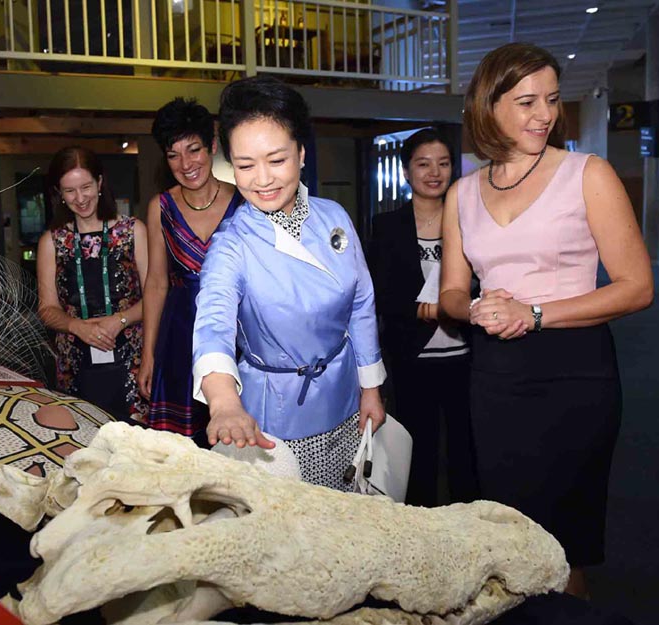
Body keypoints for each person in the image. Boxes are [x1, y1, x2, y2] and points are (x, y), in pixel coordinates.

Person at [439, 43, 653, 597]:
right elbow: (452, 295)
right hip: (495, 376)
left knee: (564, 547)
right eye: (527, 102)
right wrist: (478, 308)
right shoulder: (461, 193)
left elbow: (637, 287)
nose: (545, 115)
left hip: (575, 372)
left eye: (553, 100)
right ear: (489, 106)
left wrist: (533, 314)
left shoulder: (588, 173)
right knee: (511, 537)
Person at [191, 76, 386, 490]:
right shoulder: (231, 245)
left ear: (300, 153)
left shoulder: (333, 216)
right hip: (278, 419)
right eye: (245, 165)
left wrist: (370, 388)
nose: (262, 179)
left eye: (276, 160)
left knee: (349, 511)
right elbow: (212, 325)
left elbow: (361, 303)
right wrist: (224, 403)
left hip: (346, 397)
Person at [368, 127, 478, 507]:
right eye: (423, 164)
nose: (434, 173)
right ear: (406, 171)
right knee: (418, 453)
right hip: (412, 357)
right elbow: (379, 293)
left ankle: (471, 525)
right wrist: (429, 309)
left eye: (443, 164)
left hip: (467, 357)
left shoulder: (470, 221)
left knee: (468, 452)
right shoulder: (387, 226)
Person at [138, 98, 241, 445]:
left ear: (212, 146)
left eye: (193, 149)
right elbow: (156, 284)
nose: (185, 164)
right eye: (173, 155)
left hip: (236, 332)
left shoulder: (245, 202)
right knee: (182, 452)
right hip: (179, 336)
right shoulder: (161, 207)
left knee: (235, 441)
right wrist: (148, 355)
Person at [37, 146, 148, 422]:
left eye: (85, 187)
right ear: (59, 194)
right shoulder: (52, 241)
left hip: (133, 360)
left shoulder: (133, 231)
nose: (80, 198)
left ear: (99, 183)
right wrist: (77, 326)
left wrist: (119, 320)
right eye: (70, 191)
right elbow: (47, 309)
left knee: (136, 442)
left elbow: (155, 297)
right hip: (74, 363)